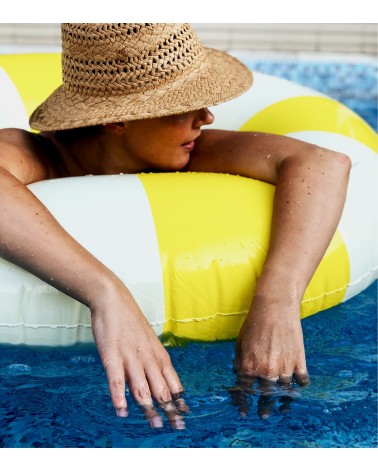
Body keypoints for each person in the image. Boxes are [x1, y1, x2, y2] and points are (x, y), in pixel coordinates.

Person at [0, 23, 351, 428]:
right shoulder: (35, 154)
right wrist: (107, 294)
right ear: (118, 120)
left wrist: (277, 302)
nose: (207, 116)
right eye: (185, 104)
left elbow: (325, 163)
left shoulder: (181, 151)